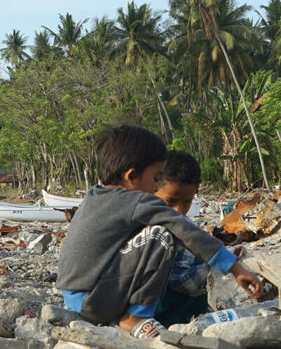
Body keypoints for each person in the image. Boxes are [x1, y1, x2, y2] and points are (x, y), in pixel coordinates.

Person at [57, 125, 262, 338]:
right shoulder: (134, 200)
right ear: (132, 176)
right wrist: (234, 267)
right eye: (155, 178)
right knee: (160, 234)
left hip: (76, 299)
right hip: (95, 301)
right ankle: (136, 316)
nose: (155, 188)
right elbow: (181, 227)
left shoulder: (94, 197)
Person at [153, 150, 211, 326]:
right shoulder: (147, 227)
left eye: (186, 202)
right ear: (152, 188)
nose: (178, 211)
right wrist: (212, 269)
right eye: (170, 201)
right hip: (155, 311)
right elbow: (178, 281)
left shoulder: (187, 227)